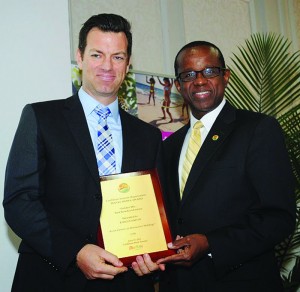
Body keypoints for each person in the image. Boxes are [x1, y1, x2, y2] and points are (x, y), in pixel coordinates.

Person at [3, 13, 163, 292]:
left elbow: (154, 210)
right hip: (52, 276)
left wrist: (152, 255)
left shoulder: (148, 136)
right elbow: (19, 201)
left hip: (127, 282)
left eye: (117, 57)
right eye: (97, 54)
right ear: (79, 57)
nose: (107, 66)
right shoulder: (41, 117)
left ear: (128, 63)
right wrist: (75, 250)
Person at [157, 41, 296, 291]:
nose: (199, 81)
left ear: (226, 76)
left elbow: (279, 218)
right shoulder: (169, 146)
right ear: (178, 85)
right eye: (189, 74)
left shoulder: (257, 129)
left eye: (210, 71)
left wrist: (211, 243)